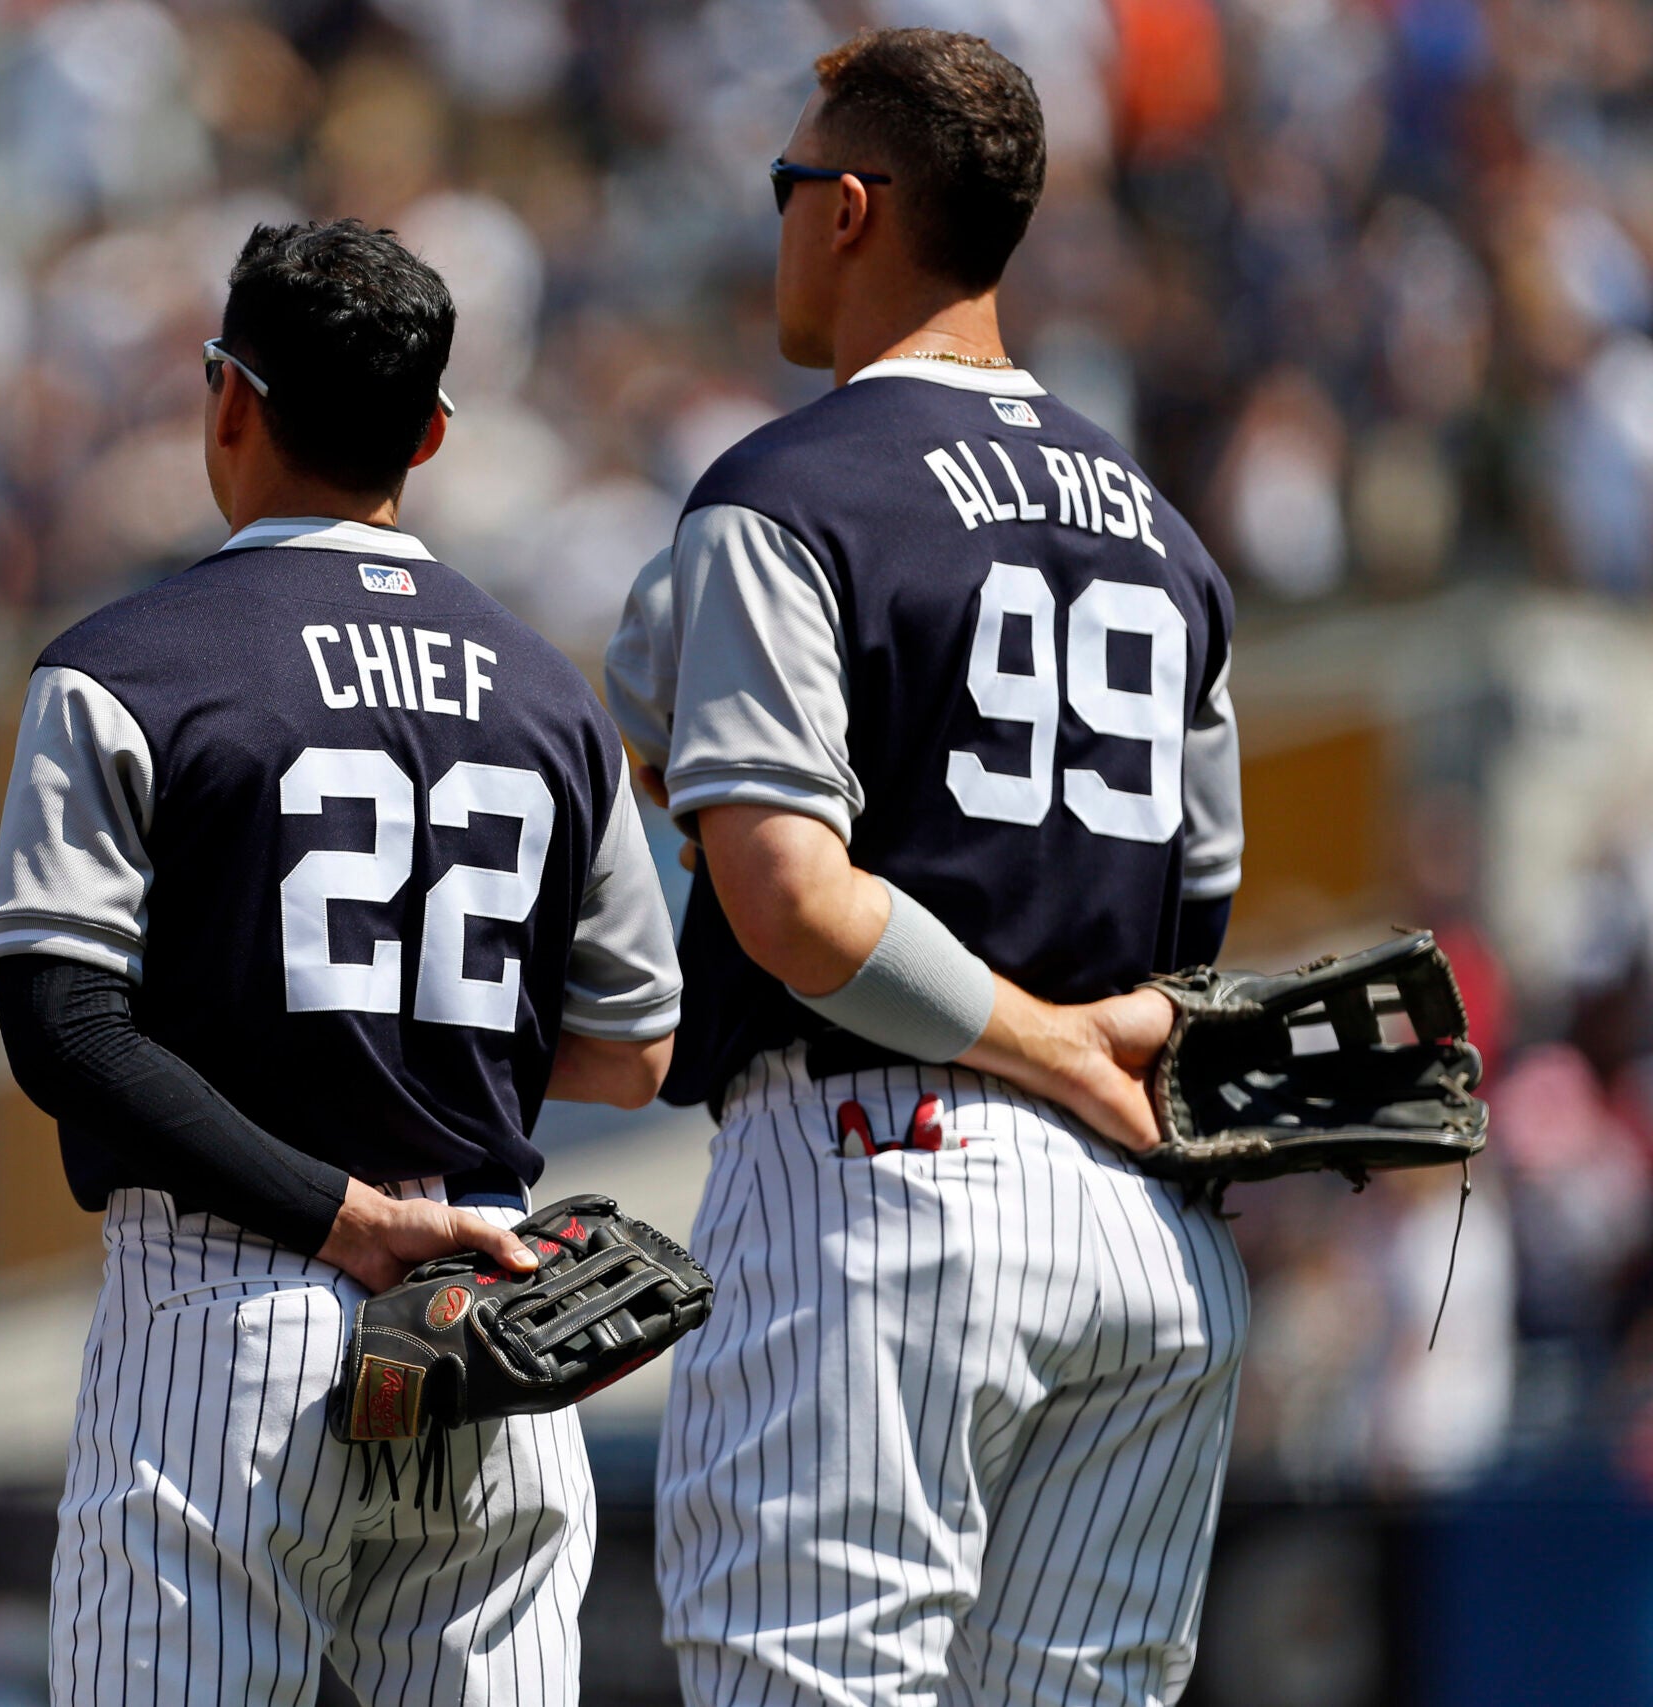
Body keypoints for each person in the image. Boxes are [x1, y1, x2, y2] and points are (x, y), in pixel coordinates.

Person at [606, 30, 1247, 1706]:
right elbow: (1193, 920)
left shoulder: (789, 490)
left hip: (878, 1182)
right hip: (1145, 1234)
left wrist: (1025, 1041)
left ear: (851, 211)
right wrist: (1070, 1049)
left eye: (785, 185)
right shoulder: (1165, 534)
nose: (778, 218)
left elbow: (793, 904)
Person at [0, 219, 683, 1704]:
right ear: (429, 433)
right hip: (497, 1315)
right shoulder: (546, 695)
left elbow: (64, 1031)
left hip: (238, 1312)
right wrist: (410, 1036)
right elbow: (632, 1049)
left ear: (228, 398)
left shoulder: (127, 665)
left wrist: (337, 1183)